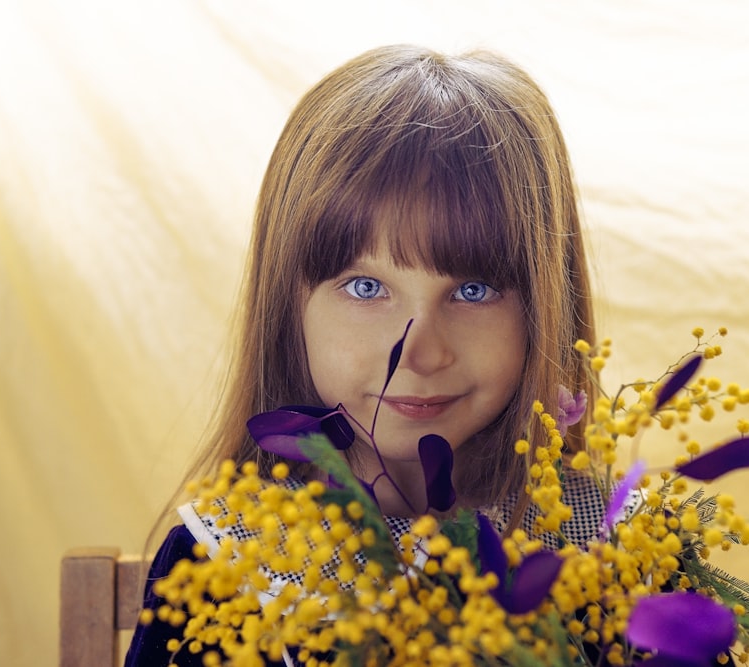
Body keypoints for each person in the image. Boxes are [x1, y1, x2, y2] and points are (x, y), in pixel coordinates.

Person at [124, 43, 599, 667]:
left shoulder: (610, 549)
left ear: (542, 307)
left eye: (473, 290)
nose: (421, 352)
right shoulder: (223, 561)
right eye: (366, 287)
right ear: (289, 307)